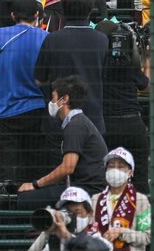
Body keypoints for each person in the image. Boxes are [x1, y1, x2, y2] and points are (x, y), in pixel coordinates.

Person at [0, 0, 51, 188]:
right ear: (37, 15)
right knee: (33, 166)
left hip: (4, 109)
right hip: (37, 109)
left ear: (13, 15)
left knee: (8, 169)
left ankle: (7, 207)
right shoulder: (46, 37)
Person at [18, 75, 109, 209]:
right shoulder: (78, 122)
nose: (51, 101)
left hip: (89, 191)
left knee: (25, 199)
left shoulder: (75, 126)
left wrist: (35, 184)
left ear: (64, 99)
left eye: (54, 97)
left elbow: (67, 167)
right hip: (82, 187)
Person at [89, 148, 151, 251]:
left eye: (121, 166)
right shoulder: (95, 200)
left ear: (130, 172)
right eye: (111, 166)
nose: (115, 170)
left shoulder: (140, 200)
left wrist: (122, 232)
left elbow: (148, 236)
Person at [22, 187, 96, 251]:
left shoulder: (99, 237)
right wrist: (45, 233)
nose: (72, 217)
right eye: (68, 213)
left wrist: (66, 235)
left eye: (77, 212)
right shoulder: (57, 242)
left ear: (90, 214)